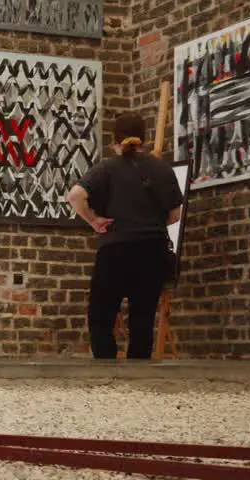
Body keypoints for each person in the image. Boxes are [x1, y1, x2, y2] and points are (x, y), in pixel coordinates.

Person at [67, 112, 183, 360]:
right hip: (152, 251)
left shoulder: (106, 168)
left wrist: (94, 221)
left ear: (114, 140)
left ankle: (106, 372)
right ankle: (137, 380)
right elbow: (175, 215)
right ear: (145, 138)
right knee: (142, 320)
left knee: (101, 316)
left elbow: (75, 196)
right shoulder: (163, 169)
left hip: (116, 250)